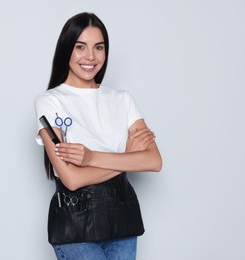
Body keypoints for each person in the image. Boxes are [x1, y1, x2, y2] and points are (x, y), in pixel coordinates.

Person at [34, 12, 162, 260]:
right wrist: (127, 155)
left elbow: (153, 162)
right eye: (80, 46)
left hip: (122, 217)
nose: (90, 56)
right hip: (75, 223)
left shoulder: (122, 100)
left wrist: (90, 157)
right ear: (66, 49)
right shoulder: (49, 102)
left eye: (99, 47)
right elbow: (71, 179)